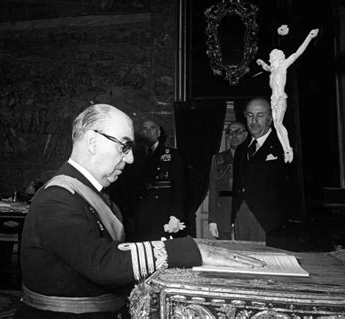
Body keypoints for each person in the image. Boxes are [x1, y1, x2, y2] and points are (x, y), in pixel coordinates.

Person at [15, 104, 264, 318]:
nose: (131, 158)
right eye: (124, 146)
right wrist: (191, 250)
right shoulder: (57, 198)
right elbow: (102, 261)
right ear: (92, 141)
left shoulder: (90, 192)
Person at [256, 28, 319, 163]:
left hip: (280, 99)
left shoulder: (283, 66)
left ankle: (288, 149)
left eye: (272, 58)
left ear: (278, 58)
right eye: (270, 59)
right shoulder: (273, 71)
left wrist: (309, 36)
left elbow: (297, 53)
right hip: (273, 100)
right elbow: (267, 68)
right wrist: (262, 62)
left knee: (278, 123)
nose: (270, 61)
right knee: (277, 125)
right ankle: (286, 150)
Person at [232, 98, 290, 243]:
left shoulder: (284, 146)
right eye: (250, 115)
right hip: (242, 217)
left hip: (269, 221)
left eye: (260, 115)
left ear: (270, 118)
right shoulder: (241, 149)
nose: (254, 121)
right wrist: (234, 217)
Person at [126, 119, 186, 241]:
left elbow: (180, 187)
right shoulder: (134, 155)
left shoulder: (171, 154)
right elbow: (129, 186)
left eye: (152, 128)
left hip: (163, 213)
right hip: (140, 214)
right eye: (145, 129)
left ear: (159, 133)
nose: (148, 131)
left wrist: (175, 216)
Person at [208, 121, 247, 240]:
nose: (234, 135)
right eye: (230, 133)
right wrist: (212, 220)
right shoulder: (218, 159)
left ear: (246, 135)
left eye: (238, 132)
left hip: (246, 212)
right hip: (224, 214)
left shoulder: (253, 157)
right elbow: (213, 190)